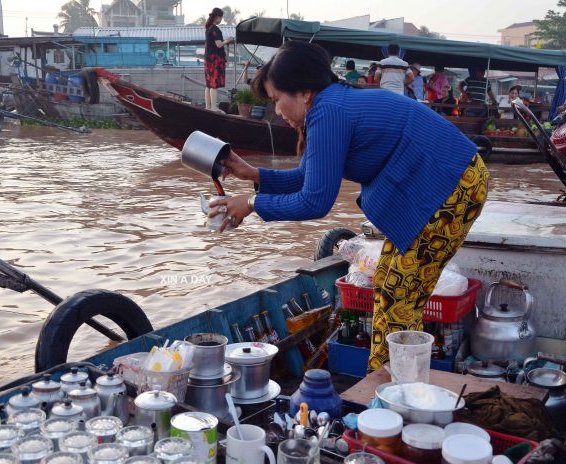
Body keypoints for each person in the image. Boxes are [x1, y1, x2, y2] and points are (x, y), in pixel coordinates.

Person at [208, 41, 489, 371]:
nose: (278, 111)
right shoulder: (332, 104)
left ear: (303, 92)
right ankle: (388, 381)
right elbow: (312, 177)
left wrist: (253, 203)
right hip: (452, 183)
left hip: (450, 188)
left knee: (399, 293)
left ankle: (392, 390)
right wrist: (254, 175)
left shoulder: (328, 111)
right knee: (391, 284)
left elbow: (315, 201)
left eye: (276, 100)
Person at [203, 7, 234, 111]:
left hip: (208, 59)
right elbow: (219, 44)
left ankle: (208, 107)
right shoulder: (215, 29)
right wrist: (227, 40)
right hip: (215, 60)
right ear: (217, 17)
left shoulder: (208, 28)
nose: (221, 20)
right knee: (213, 85)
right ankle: (213, 107)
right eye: (221, 17)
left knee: (208, 84)